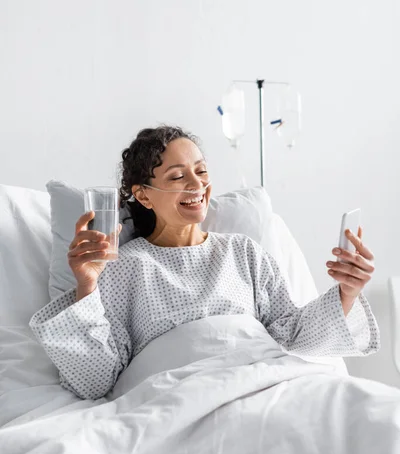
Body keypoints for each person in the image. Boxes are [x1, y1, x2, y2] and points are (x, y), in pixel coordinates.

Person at [29, 126, 379, 400]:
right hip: (182, 399)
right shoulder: (125, 267)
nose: (197, 184)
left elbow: (293, 334)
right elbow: (94, 381)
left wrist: (347, 293)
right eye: (178, 176)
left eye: (201, 171)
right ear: (143, 194)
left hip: (268, 384)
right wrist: (87, 285)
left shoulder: (245, 253)